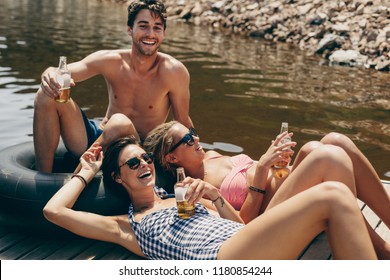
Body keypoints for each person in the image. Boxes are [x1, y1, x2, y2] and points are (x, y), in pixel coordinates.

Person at [43, 137, 376, 260]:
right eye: (133, 163)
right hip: (219, 261)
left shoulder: (184, 194)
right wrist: (86, 172)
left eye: (145, 158)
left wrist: (216, 199)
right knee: (332, 194)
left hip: (243, 241)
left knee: (328, 153)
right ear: (118, 177)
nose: (144, 164)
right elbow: (53, 211)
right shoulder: (125, 226)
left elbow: (241, 226)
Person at [143, 121, 390, 258]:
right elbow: (241, 227)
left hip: (286, 188)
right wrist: (261, 171)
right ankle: (381, 250)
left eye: (193, 133)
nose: (196, 139)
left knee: (335, 141)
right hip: (271, 220)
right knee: (328, 156)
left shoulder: (212, 156)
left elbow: (272, 177)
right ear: (172, 158)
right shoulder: (192, 189)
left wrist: (279, 166)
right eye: (187, 140)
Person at [33, 0, 193, 173]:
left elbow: (182, 121)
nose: (150, 34)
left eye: (157, 28)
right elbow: (64, 71)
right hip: (99, 138)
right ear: (129, 29)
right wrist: (50, 72)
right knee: (45, 94)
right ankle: (44, 180)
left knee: (120, 123)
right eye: (143, 26)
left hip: (138, 150)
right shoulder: (111, 61)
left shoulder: (174, 72)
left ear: (164, 34)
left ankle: (80, 172)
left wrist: (199, 158)